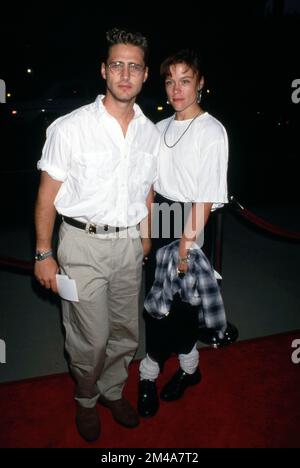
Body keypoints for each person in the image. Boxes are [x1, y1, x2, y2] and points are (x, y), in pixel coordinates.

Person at [34, 28, 159, 442]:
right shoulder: (70, 128)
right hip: (81, 244)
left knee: (126, 333)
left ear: (144, 75)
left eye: (134, 66)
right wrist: (43, 253)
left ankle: (111, 391)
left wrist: (145, 235)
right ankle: (86, 399)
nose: (126, 74)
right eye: (117, 65)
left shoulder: (150, 132)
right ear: (104, 71)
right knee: (91, 338)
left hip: (127, 245)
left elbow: (147, 188)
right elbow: (47, 195)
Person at [137, 49, 228, 418]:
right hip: (159, 217)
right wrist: (146, 234)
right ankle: (151, 371)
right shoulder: (159, 129)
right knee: (155, 303)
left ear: (200, 83)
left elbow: (206, 198)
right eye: (170, 81)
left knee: (180, 308)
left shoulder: (212, 131)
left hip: (189, 221)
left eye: (185, 80)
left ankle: (187, 370)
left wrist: (186, 247)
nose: (176, 89)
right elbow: (149, 185)